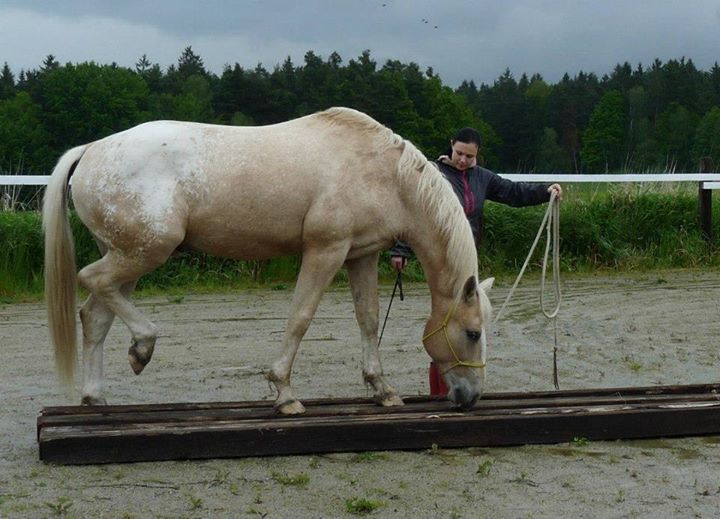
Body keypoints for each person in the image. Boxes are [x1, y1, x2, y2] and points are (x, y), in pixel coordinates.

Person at [388, 127, 562, 394]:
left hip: (468, 263)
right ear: (451, 147)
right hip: (441, 263)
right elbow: (415, 212)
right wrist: (401, 249)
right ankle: (441, 389)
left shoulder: (482, 178)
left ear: (477, 154)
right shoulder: (434, 174)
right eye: (459, 153)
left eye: (469, 156)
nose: (462, 160)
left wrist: (544, 192)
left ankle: (466, 379)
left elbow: (512, 192)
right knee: (446, 324)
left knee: (470, 323)